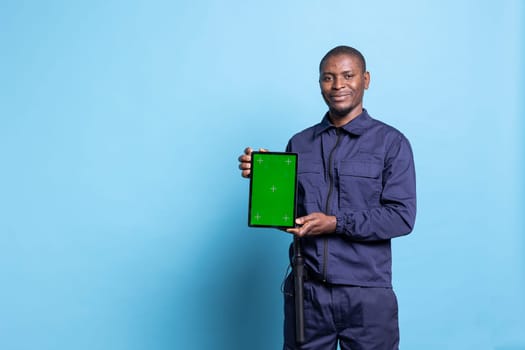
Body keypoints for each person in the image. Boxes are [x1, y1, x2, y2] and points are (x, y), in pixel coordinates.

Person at [238, 45, 416, 350]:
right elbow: (290, 218)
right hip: (307, 294)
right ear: (319, 82)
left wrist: (334, 223)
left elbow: (401, 217)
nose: (338, 86)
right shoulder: (300, 142)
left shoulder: (392, 143)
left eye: (348, 76)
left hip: (367, 296)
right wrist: (267, 178)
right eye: (328, 78)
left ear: (366, 79)